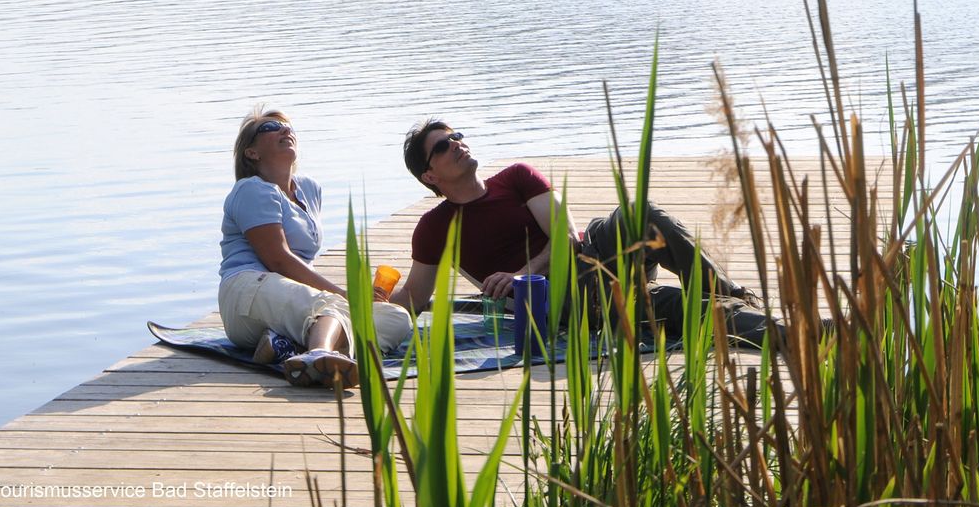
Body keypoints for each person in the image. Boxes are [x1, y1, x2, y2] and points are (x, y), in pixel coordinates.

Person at [390, 118, 775, 347]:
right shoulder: (435, 227)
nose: (458, 143)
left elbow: (567, 239)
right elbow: (415, 298)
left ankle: (727, 291)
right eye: (444, 144)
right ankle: (786, 333)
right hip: (560, 301)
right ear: (430, 175)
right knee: (669, 305)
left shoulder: (516, 178)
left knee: (638, 214)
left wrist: (521, 272)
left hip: (590, 255)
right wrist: (362, 297)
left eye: (457, 135)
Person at [218, 106, 413, 389]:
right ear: (252, 152)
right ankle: (318, 354)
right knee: (332, 303)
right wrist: (347, 295)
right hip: (245, 294)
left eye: (287, 126)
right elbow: (279, 261)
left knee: (396, 318)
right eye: (270, 128)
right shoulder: (252, 189)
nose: (285, 130)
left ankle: (283, 346)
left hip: (283, 304)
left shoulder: (309, 189)